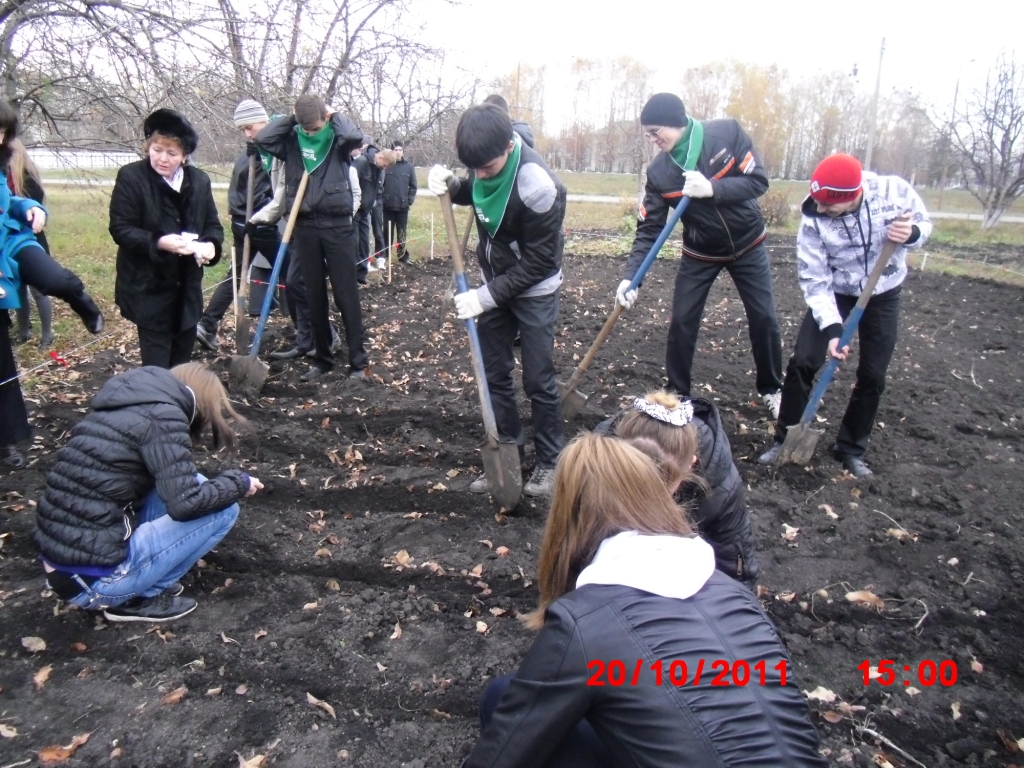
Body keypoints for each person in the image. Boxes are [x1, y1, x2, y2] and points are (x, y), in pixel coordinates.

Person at [463, 433, 827, 768]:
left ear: (568, 521)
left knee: (503, 697)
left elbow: (499, 757)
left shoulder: (584, 624)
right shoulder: (736, 596)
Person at [32, 363, 261, 622]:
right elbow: (186, 505)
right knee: (224, 510)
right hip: (93, 582)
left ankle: (137, 580)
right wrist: (238, 483)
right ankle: (139, 596)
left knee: (193, 481)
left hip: (64, 567)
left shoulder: (129, 403)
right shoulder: (164, 417)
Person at [758, 154, 931, 477]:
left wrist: (912, 233)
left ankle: (850, 449)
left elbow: (924, 226)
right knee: (804, 361)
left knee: (873, 374)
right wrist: (834, 328)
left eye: (828, 206)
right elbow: (814, 278)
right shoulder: (813, 217)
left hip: (883, 292)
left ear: (852, 196)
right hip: (835, 291)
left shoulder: (894, 193)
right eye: (818, 203)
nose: (820, 210)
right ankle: (784, 438)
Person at [615, 92, 783, 418]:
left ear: (676, 122)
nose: (652, 140)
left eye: (655, 132)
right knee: (682, 321)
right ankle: (678, 396)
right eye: (647, 134)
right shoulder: (660, 172)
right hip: (700, 251)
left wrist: (713, 189)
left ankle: (772, 389)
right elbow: (649, 230)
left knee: (764, 317)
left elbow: (758, 181)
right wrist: (629, 276)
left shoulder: (725, 134)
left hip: (747, 244)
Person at [428, 103, 566, 497]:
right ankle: (508, 451)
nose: (480, 174)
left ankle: (551, 461)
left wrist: (485, 297)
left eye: (486, 167)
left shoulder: (538, 187)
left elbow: (541, 262)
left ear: (509, 146)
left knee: (538, 377)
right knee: (494, 374)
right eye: (474, 168)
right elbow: (478, 191)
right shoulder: (484, 162)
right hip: (495, 281)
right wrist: (455, 186)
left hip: (535, 288)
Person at [0, 102, 105, 469]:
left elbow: (8, 201)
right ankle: (9, 439)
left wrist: (29, 207)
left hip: (12, 241)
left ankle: (82, 301)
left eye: (2, 132)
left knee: (54, 280)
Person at [255, 95, 368, 382]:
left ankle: (358, 362)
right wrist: (294, 118)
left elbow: (355, 136)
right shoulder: (292, 141)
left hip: (337, 225)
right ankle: (322, 358)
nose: (311, 134)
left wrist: (334, 114)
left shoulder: (337, 142)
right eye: (307, 129)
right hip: (304, 225)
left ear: (325, 119)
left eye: (315, 128)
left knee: (346, 295)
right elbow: (264, 139)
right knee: (313, 294)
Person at [110, 108, 223, 368]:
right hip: (148, 288)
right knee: (157, 366)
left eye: (171, 153)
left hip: (187, 289)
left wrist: (209, 246)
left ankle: (178, 404)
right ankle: (158, 404)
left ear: (184, 156)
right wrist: (159, 242)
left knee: (182, 364)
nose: (162, 158)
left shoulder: (200, 181)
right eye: (157, 150)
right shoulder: (132, 177)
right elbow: (121, 228)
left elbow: (213, 226)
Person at [608, 390, 759, 585]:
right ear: (614, 458)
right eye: (630, 484)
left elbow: (737, 569)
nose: (644, 501)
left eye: (659, 492)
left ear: (691, 465)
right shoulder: (593, 462)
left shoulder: (721, 491)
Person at [195, 99, 310, 355]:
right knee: (291, 274)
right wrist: (260, 220)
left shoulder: (262, 148)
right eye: (243, 129)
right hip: (255, 223)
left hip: (243, 221)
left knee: (236, 274)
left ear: (264, 120)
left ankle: (207, 323)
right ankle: (313, 332)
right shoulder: (259, 153)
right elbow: (257, 196)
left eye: (250, 126)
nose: (247, 133)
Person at [8, 139, 53, 349]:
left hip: (32, 241)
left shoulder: (28, 179)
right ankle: (23, 331)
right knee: (18, 288)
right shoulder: (4, 179)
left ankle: (47, 335)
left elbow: (34, 216)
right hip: (11, 242)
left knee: (38, 290)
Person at [352, 140, 395, 282]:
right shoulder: (361, 163)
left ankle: (361, 274)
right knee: (354, 243)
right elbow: (350, 184)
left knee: (364, 243)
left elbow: (375, 189)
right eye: (385, 165)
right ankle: (351, 276)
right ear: (380, 158)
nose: (384, 168)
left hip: (366, 211)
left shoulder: (378, 169)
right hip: (355, 211)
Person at [380, 140, 417, 266]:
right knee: (386, 232)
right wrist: (382, 199)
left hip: (402, 207)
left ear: (403, 152)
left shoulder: (409, 167)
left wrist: (409, 200)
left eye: (400, 150)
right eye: (396, 150)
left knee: (402, 232)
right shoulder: (387, 166)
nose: (398, 152)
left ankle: (402, 256)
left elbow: (413, 186)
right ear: (392, 151)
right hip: (387, 206)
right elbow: (380, 185)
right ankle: (384, 256)